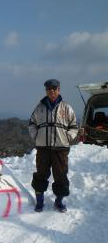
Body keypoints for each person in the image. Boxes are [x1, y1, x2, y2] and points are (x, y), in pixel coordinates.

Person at [28, 79, 78, 212]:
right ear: (46, 90)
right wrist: (36, 136)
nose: (51, 91)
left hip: (60, 148)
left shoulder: (66, 108)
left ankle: (59, 201)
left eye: (54, 88)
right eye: (49, 89)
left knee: (61, 175)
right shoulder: (40, 107)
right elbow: (32, 123)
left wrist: (69, 136)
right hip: (43, 148)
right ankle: (39, 202)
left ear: (58, 89)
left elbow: (74, 126)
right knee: (41, 174)